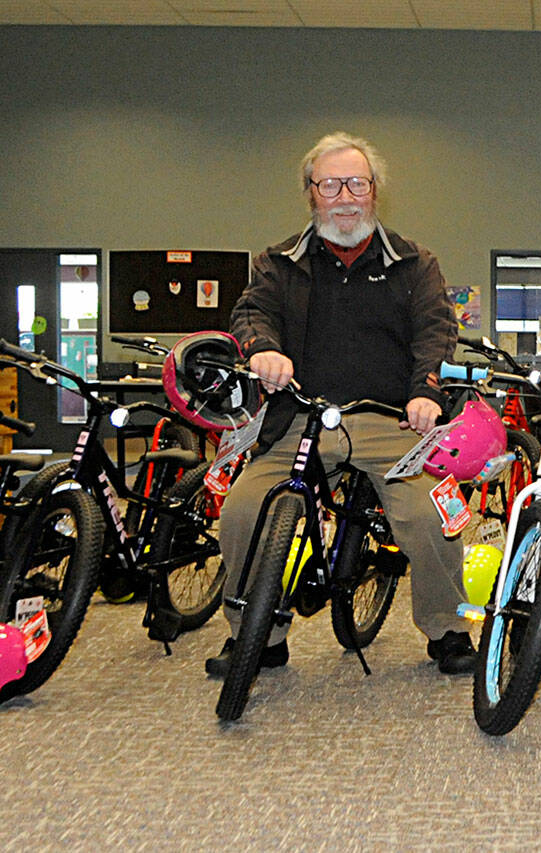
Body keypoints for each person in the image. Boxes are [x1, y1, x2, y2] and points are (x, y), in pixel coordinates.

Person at [205, 131, 474, 677]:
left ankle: (448, 629)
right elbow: (250, 314)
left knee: (429, 514)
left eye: (357, 183)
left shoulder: (415, 263)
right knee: (240, 512)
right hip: (299, 420)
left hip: (389, 420)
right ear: (311, 193)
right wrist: (263, 350)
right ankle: (257, 633)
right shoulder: (278, 263)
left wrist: (426, 390)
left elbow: (436, 333)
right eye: (330, 184)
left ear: (375, 192)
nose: (345, 196)